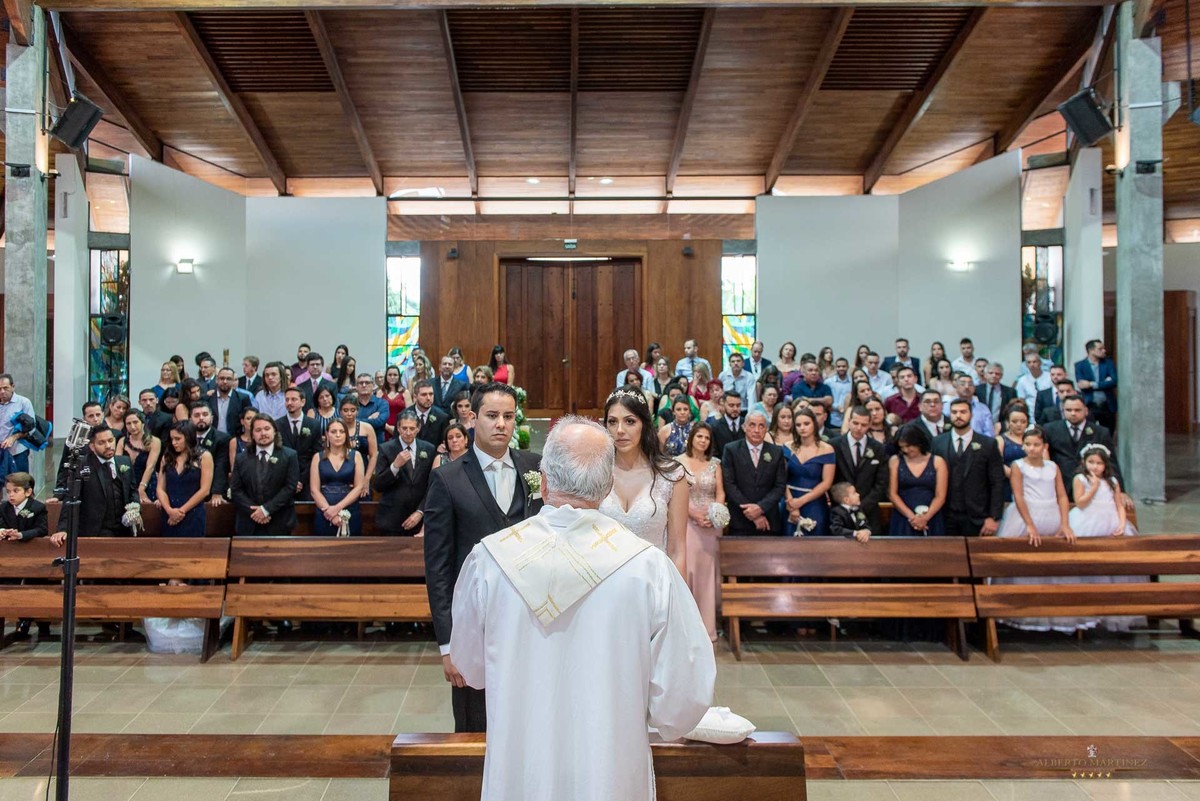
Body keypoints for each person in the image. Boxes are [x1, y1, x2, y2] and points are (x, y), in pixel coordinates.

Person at [448, 416, 714, 801]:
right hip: (610, 773)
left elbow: (470, 667)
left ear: (543, 481)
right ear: (607, 487)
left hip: (521, 771)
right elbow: (683, 698)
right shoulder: (648, 567)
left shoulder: (489, 560)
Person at [424, 382, 543, 733]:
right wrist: (448, 644)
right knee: (476, 726)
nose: (501, 424)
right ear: (473, 418)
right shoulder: (447, 479)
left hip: (530, 622)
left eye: (508, 416)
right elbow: (438, 568)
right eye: (492, 415)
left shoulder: (535, 468)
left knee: (528, 721)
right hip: (473, 625)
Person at [600, 388, 688, 574]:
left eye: (630, 421)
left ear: (644, 424)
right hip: (603, 582)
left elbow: (677, 551)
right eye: (612, 422)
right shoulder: (596, 473)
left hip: (654, 581)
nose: (620, 430)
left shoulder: (671, 475)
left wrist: (678, 591)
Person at [1067, 444, 1143, 630]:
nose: (1095, 466)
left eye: (1099, 463)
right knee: (1089, 562)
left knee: (1114, 564)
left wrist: (1122, 523)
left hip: (1110, 521)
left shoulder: (1112, 481)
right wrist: (1093, 488)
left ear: (1105, 465)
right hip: (1087, 520)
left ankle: (1112, 607)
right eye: (1091, 462)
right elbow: (1080, 503)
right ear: (1084, 462)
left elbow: (1119, 505)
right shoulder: (1080, 479)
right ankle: (1088, 606)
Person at [676, 422, 724, 642]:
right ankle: (686, 627)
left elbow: (720, 492)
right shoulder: (679, 462)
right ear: (691, 438)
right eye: (699, 437)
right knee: (688, 570)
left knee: (707, 574)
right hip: (687, 521)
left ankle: (707, 627)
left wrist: (715, 513)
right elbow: (675, 493)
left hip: (710, 525)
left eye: (707, 438)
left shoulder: (715, 464)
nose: (703, 441)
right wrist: (693, 514)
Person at [49, 425, 137, 543]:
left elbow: (132, 491)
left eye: (110, 440)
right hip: (96, 530)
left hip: (123, 529)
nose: (108, 446)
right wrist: (63, 529)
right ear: (92, 446)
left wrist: (136, 508)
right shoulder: (81, 465)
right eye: (101, 443)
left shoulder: (124, 461)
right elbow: (71, 498)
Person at [930, 399, 1004, 536]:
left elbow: (997, 482)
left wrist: (994, 517)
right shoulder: (937, 442)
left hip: (978, 516)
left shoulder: (988, 444)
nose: (958, 416)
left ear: (971, 414)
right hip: (945, 515)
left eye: (963, 412)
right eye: (954, 412)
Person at [994, 427, 1071, 546]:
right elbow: (1018, 496)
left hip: (1051, 514)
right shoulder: (1018, 466)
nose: (1032, 448)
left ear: (1045, 446)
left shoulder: (1053, 466)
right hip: (1026, 514)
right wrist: (1029, 524)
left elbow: (1062, 496)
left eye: (1036, 445)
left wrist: (1065, 524)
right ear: (1023, 445)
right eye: (1028, 444)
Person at [230, 414, 300, 536]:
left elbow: (290, 487)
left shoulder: (289, 456)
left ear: (275, 431)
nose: (263, 433)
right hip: (249, 522)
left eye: (267, 429)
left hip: (279, 522)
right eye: (258, 430)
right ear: (252, 434)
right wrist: (255, 512)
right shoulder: (241, 459)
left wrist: (266, 510)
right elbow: (236, 490)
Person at [722, 409, 787, 535]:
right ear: (744, 427)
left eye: (761, 426)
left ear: (766, 429)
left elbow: (780, 486)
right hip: (740, 520)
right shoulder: (731, 450)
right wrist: (752, 512)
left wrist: (760, 508)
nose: (757, 430)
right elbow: (729, 484)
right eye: (752, 425)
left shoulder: (776, 452)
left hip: (769, 520)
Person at [1043, 396, 1121, 498]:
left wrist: (1121, 491)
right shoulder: (1050, 429)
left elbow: (1111, 462)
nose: (1073, 413)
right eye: (1068, 410)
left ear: (1086, 411)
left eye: (1077, 410)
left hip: (1091, 485)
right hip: (1060, 484)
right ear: (1063, 411)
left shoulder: (1101, 432)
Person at [374, 411, 434, 535]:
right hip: (392, 518)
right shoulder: (386, 448)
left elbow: (432, 485)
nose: (408, 432)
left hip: (418, 517)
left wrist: (420, 511)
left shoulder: (429, 449)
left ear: (418, 428)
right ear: (398, 428)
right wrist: (394, 466)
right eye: (404, 428)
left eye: (412, 428)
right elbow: (378, 485)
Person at [832, 406, 888, 535]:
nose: (858, 428)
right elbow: (831, 479)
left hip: (869, 510)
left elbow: (882, 483)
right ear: (849, 421)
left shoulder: (878, 448)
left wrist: (862, 505)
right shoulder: (834, 445)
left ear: (869, 425)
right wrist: (844, 504)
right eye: (855, 423)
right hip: (840, 511)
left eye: (863, 425)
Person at [782, 408, 835, 536]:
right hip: (790, 501)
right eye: (798, 425)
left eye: (806, 424)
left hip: (815, 503)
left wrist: (800, 501)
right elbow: (780, 477)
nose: (802, 428)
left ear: (814, 424)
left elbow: (827, 483)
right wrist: (791, 503)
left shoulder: (827, 449)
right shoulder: (787, 447)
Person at [888, 424, 947, 536]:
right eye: (902, 447)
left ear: (919, 442)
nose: (906, 450)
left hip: (931, 516)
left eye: (909, 446)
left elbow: (940, 496)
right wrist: (912, 518)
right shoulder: (895, 461)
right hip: (903, 516)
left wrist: (925, 518)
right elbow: (892, 494)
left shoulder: (938, 462)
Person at [156, 421, 214, 537]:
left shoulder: (204, 456)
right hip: (169, 514)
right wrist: (169, 510)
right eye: (172, 439)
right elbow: (160, 489)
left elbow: (205, 490)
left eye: (178, 439)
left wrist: (181, 511)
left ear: (188, 437)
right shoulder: (167, 457)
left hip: (193, 514)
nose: (174, 443)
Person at [311, 419, 366, 536]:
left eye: (341, 431)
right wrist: (329, 512)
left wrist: (336, 509)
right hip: (324, 511)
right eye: (333, 431)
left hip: (349, 509)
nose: (338, 435)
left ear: (346, 434)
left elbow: (359, 487)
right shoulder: (317, 457)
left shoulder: (356, 456)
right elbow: (314, 490)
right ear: (327, 434)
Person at [277, 387, 321, 500]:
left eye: (293, 399)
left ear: (303, 402)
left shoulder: (314, 425)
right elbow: (277, 454)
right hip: (283, 480)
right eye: (287, 400)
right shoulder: (277, 425)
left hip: (308, 479)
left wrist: (301, 480)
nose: (289, 403)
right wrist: (290, 481)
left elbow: (316, 455)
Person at [190, 403, 231, 505]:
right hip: (188, 489)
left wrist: (217, 492)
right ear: (190, 419)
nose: (201, 418)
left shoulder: (222, 439)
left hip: (211, 491)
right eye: (196, 415)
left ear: (211, 418)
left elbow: (221, 467)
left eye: (205, 414)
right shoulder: (186, 438)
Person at [117, 410, 161, 504]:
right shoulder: (122, 441)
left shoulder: (154, 441)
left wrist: (141, 488)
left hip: (147, 483)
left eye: (135, 422)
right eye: (128, 424)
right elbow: (117, 465)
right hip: (127, 484)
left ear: (142, 423)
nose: (132, 427)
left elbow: (150, 466)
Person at [1075, 339, 1117, 431]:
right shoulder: (1080, 365)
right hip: (1090, 404)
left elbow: (1113, 381)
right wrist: (1104, 382)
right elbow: (1082, 385)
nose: (1104, 351)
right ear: (1091, 350)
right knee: (1089, 432)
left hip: (1107, 405)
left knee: (1108, 432)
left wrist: (1091, 384)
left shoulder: (1108, 363)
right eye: (1100, 349)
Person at [340, 396, 379, 481]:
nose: (349, 414)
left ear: (357, 411)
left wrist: (367, 478)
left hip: (363, 471)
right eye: (345, 410)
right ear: (340, 412)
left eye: (353, 410)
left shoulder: (367, 428)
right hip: (340, 473)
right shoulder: (335, 428)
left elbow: (373, 455)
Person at [0, 472, 48, 542]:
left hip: (30, 546)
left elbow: (42, 530)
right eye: (8, 491)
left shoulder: (38, 507)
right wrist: (3, 531)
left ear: (28, 492)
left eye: (16, 491)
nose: (11, 495)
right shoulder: (3, 507)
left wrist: (21, 535)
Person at [943, 372, 993, 436]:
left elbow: (989, 433)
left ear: (974, 388)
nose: (967, 387)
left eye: (970, 384)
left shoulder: (983, 409)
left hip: (979, 441)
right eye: (962, 384)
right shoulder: (946, 407)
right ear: (956, 387)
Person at [208, 367, 254, 436]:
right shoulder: (208, 398)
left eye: (228, 379)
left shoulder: (243, 398)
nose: (225, 381)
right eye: (222, 378)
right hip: (212, 438)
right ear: (217, 380)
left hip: (235, 438)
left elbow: (249, 419)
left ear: (233, 381)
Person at [997, 403, 1030, 502]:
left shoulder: (1033, 439)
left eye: (1023, 421)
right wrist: (1016, 476)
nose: (1019, 425)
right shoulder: (1000, 440)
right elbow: (998, 464)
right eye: (1014, 421)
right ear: (1008, 422)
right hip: (1007, 484)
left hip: (1031, 485)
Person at [350, 373, 389, 444]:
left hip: (377, 446)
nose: (364, 385)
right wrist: (369, 419)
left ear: (373, 386)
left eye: (367, 383)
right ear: (356, 387)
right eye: (361, 383)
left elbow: (379, 422)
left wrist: (354, 421)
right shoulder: (350, 404)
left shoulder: (382, 403)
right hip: (355, 446)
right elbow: (345, 422)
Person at [411, 379, 449, 447]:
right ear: (415, 396)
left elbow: (445, 442)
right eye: (424, 395)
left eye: (431, 394)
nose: (428, 398)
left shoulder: (442, 417)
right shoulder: (403, 415)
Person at [709, 390, 744, 455]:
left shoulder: (746, 424)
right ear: (724, 405)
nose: (735, 409)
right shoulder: (714, 427)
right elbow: (713, 452)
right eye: (731, 405)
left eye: (738, 405)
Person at [378, 365, 406, 440]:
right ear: (386, 377)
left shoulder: (405, 393)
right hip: (383, 428)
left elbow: (409, 413)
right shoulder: (380, 393)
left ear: (399, 376)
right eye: (390, 375)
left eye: (395, 375)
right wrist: (387, 427)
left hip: (401, 429)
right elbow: (376, 413)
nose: (392, 377)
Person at [228, 406, 259, 472]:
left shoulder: (262, 439)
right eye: (248, 418)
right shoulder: (234, 442)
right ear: (242, 421)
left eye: (254, 418)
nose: (251, 421)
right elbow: (233, 468)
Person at [825, 358, 853, 429]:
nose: (841, 368)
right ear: (835, 368)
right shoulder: (828, 382)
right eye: (839, 366)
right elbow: (826, 399)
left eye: (844, 366)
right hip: (832, 418)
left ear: (848, 367)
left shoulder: (853, 382)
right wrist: (837, 407)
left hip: (849, 417)